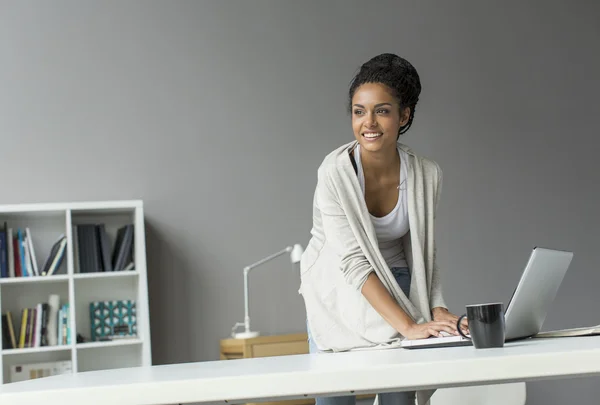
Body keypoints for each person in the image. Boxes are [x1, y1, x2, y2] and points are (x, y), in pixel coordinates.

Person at [298, 53, 467, 405]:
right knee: (334, 399)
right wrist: (409, 326)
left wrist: (435, 308)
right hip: (338, 288)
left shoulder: (426, 174)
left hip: (399, 284)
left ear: (404, 115)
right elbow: (354, 264)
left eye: (382, 110)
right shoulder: (334, 173)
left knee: (398, 398)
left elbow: (422, 250)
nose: (368, 123)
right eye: (359, 111)